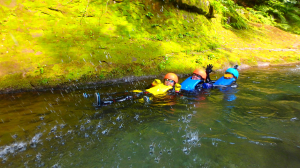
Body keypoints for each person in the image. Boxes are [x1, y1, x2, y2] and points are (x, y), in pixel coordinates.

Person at [94, 73, 181, 106]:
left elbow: (172, 98)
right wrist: (151, 84)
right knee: (127, 92)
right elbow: (147, 88)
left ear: (174, 83)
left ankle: (105, 103)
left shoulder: (171, 89)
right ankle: (103, 96)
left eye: (171, 81)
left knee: (129, 97)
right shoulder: (160, 83)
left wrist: (177, 91)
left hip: (149, 95)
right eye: (167, 80)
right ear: (164, 80)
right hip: (145, 92)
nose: (169, 82)